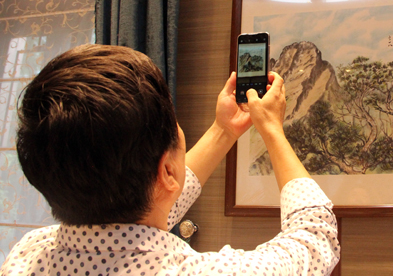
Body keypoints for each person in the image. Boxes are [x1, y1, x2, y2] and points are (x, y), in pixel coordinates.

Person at [0, 44, 339, 275]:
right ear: (166, 170)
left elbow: (147, 208)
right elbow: (314, 239)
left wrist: (223, 131)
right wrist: (272, 129)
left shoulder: (29, 255)